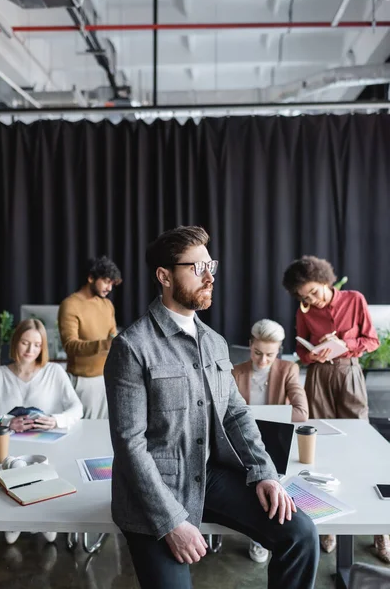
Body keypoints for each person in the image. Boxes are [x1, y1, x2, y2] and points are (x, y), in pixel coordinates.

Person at [104, 226, 319, 589]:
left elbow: (235, 413)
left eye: (211, 266)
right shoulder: (132, 347)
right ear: (164, 276)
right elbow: (130, 445)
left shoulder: (215, 343)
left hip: (209, 475)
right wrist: (172, 521)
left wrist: (264, 472)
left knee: (300, 534)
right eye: (197, 267)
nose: (210, 276)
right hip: (154, 494)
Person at [282, 255, 388, 561]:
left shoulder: (354, 300)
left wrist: (343, 342)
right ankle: (330, 525)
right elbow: (301, 350)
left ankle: (382, 532)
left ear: (326, 281)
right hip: (318, 377)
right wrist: (311, 355)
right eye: (303, 297)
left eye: (313, 292)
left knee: (363, 448)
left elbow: (371, 341)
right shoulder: (304, 311)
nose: (310, 300)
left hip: (349, 372)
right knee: (324, 449)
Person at [0, 318, 83, 545]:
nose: (30, 350)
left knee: (42, 479)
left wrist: (55, 420)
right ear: (15, 343)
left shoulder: (54, 371)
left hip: (46, 446)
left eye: (37, 345)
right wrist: (9, 422)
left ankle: (43, 521)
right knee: (13, 476)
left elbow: (77, 408)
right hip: (11, 447)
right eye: (24, 343)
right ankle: (15, 522)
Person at [233, 318, 308, 564]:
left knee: (273, 487)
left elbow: (301, 411)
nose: (263, 360)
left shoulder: (288, 369)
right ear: (250, 345)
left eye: (270, 355)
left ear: (279, 351)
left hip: (276, 440)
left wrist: (261, 418)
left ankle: (265, 537)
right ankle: (257, 535)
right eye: (257, 353)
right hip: (241, 439)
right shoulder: (236, 372)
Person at [58, 256, 121, 419]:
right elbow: (70, 345)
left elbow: (113, 335)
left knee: (105, 436)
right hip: (83, 383)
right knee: (84, 435)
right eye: (106, 281)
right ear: (91, 278)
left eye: (112, 283)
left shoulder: (107, 304)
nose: (109, 288)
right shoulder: (70, 305)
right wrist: (105, 344)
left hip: (108, 379)